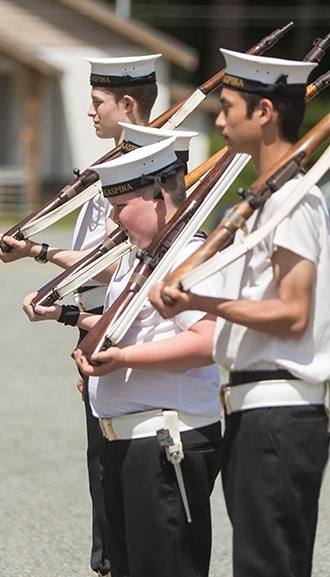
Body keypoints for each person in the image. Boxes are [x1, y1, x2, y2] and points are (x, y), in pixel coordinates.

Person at [150, 50, 330, 577]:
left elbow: (292, 314)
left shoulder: (293, 202)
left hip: (280, 409)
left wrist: (197, 301)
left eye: (227, 107)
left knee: (268, 567)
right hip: (254, 409)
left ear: (263, 112)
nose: (217, 119)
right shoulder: (266, 200)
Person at [0, 55, 163, 576]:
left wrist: (40, 256)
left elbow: (112, 272)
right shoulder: (110, 171)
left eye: (98, 102)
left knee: (136, 522)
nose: (89, 112)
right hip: (100, 349)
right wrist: (37, 254)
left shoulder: (150, 177)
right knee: (107, 506)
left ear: (127, 104)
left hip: (135, 358)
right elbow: (98, 265)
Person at [24, 137, 223, 577]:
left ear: (155, 198)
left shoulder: (187, 255)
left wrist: (125, 359)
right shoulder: (143, 256)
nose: (113, 217)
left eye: (120, 205)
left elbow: (207, 342)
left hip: (166, 442)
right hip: (129, 441)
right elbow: (130, 328)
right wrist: (75, 329)